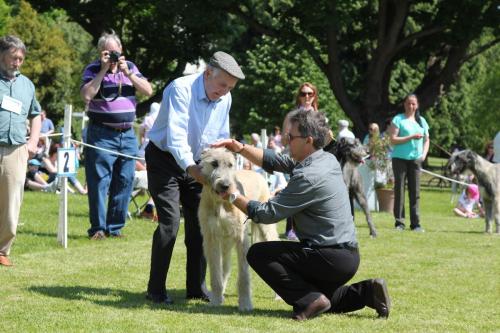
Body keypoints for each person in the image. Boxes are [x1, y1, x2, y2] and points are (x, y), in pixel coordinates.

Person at [211, 109, 391, 321]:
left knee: (259, 254)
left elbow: (267, 214)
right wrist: (240, 148)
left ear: (308, 140)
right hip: (348, 256)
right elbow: (277, 162)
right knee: (321, 295)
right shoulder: (325, 159)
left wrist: (232, 196)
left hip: (327, 257)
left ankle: (308, 301)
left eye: (291, 137)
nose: (287, 140)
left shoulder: (308, 177)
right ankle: (368, 291)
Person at [145, 51, 245, 304]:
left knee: (201, 226)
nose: (224, 92)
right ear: (208, 73)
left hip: (202, 164)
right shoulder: (180, 89)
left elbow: (219, 137)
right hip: (165, 160)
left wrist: (219, 170)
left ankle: (196, 288)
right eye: (222, 85)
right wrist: (192, 169)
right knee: (169, 223)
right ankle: (156, 290)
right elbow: (176, 135)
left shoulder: (226, 98)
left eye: (230, 87)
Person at [80, 30, 152, 240]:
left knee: (125, 180)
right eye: (108, 52)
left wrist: (128, 74)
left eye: (115, 52)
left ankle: (115, 227)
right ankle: (98, 229)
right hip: (101, 133)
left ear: (121, 51)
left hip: (127, 134)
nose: (112, 56)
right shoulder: (93, 68)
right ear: (101, 52)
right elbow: (86, 94)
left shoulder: (129, 67)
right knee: (99, 181)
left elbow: (148, 90)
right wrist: (103, 70)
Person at [0, 35, 41, 267]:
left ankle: (2, 250)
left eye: (21, 59)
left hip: (16, 150)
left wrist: (33, 142)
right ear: (1, 55)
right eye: (13, 58)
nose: (17, 63)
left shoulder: (27, 85)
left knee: (11, 202)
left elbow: (35, 114)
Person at [389, 94, 430, 232]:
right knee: (399, 190)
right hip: (399, 159)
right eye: (408, 103)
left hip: (416, 160)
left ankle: (416, 224)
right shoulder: (398, 119)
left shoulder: (422, 121)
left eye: (413, 104)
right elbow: (393, 139)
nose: (410, 106)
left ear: (417, 105)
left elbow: (427, 140)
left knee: (415, 192)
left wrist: (423, 155)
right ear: (404, 104)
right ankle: (399, 222)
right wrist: (411, 137)